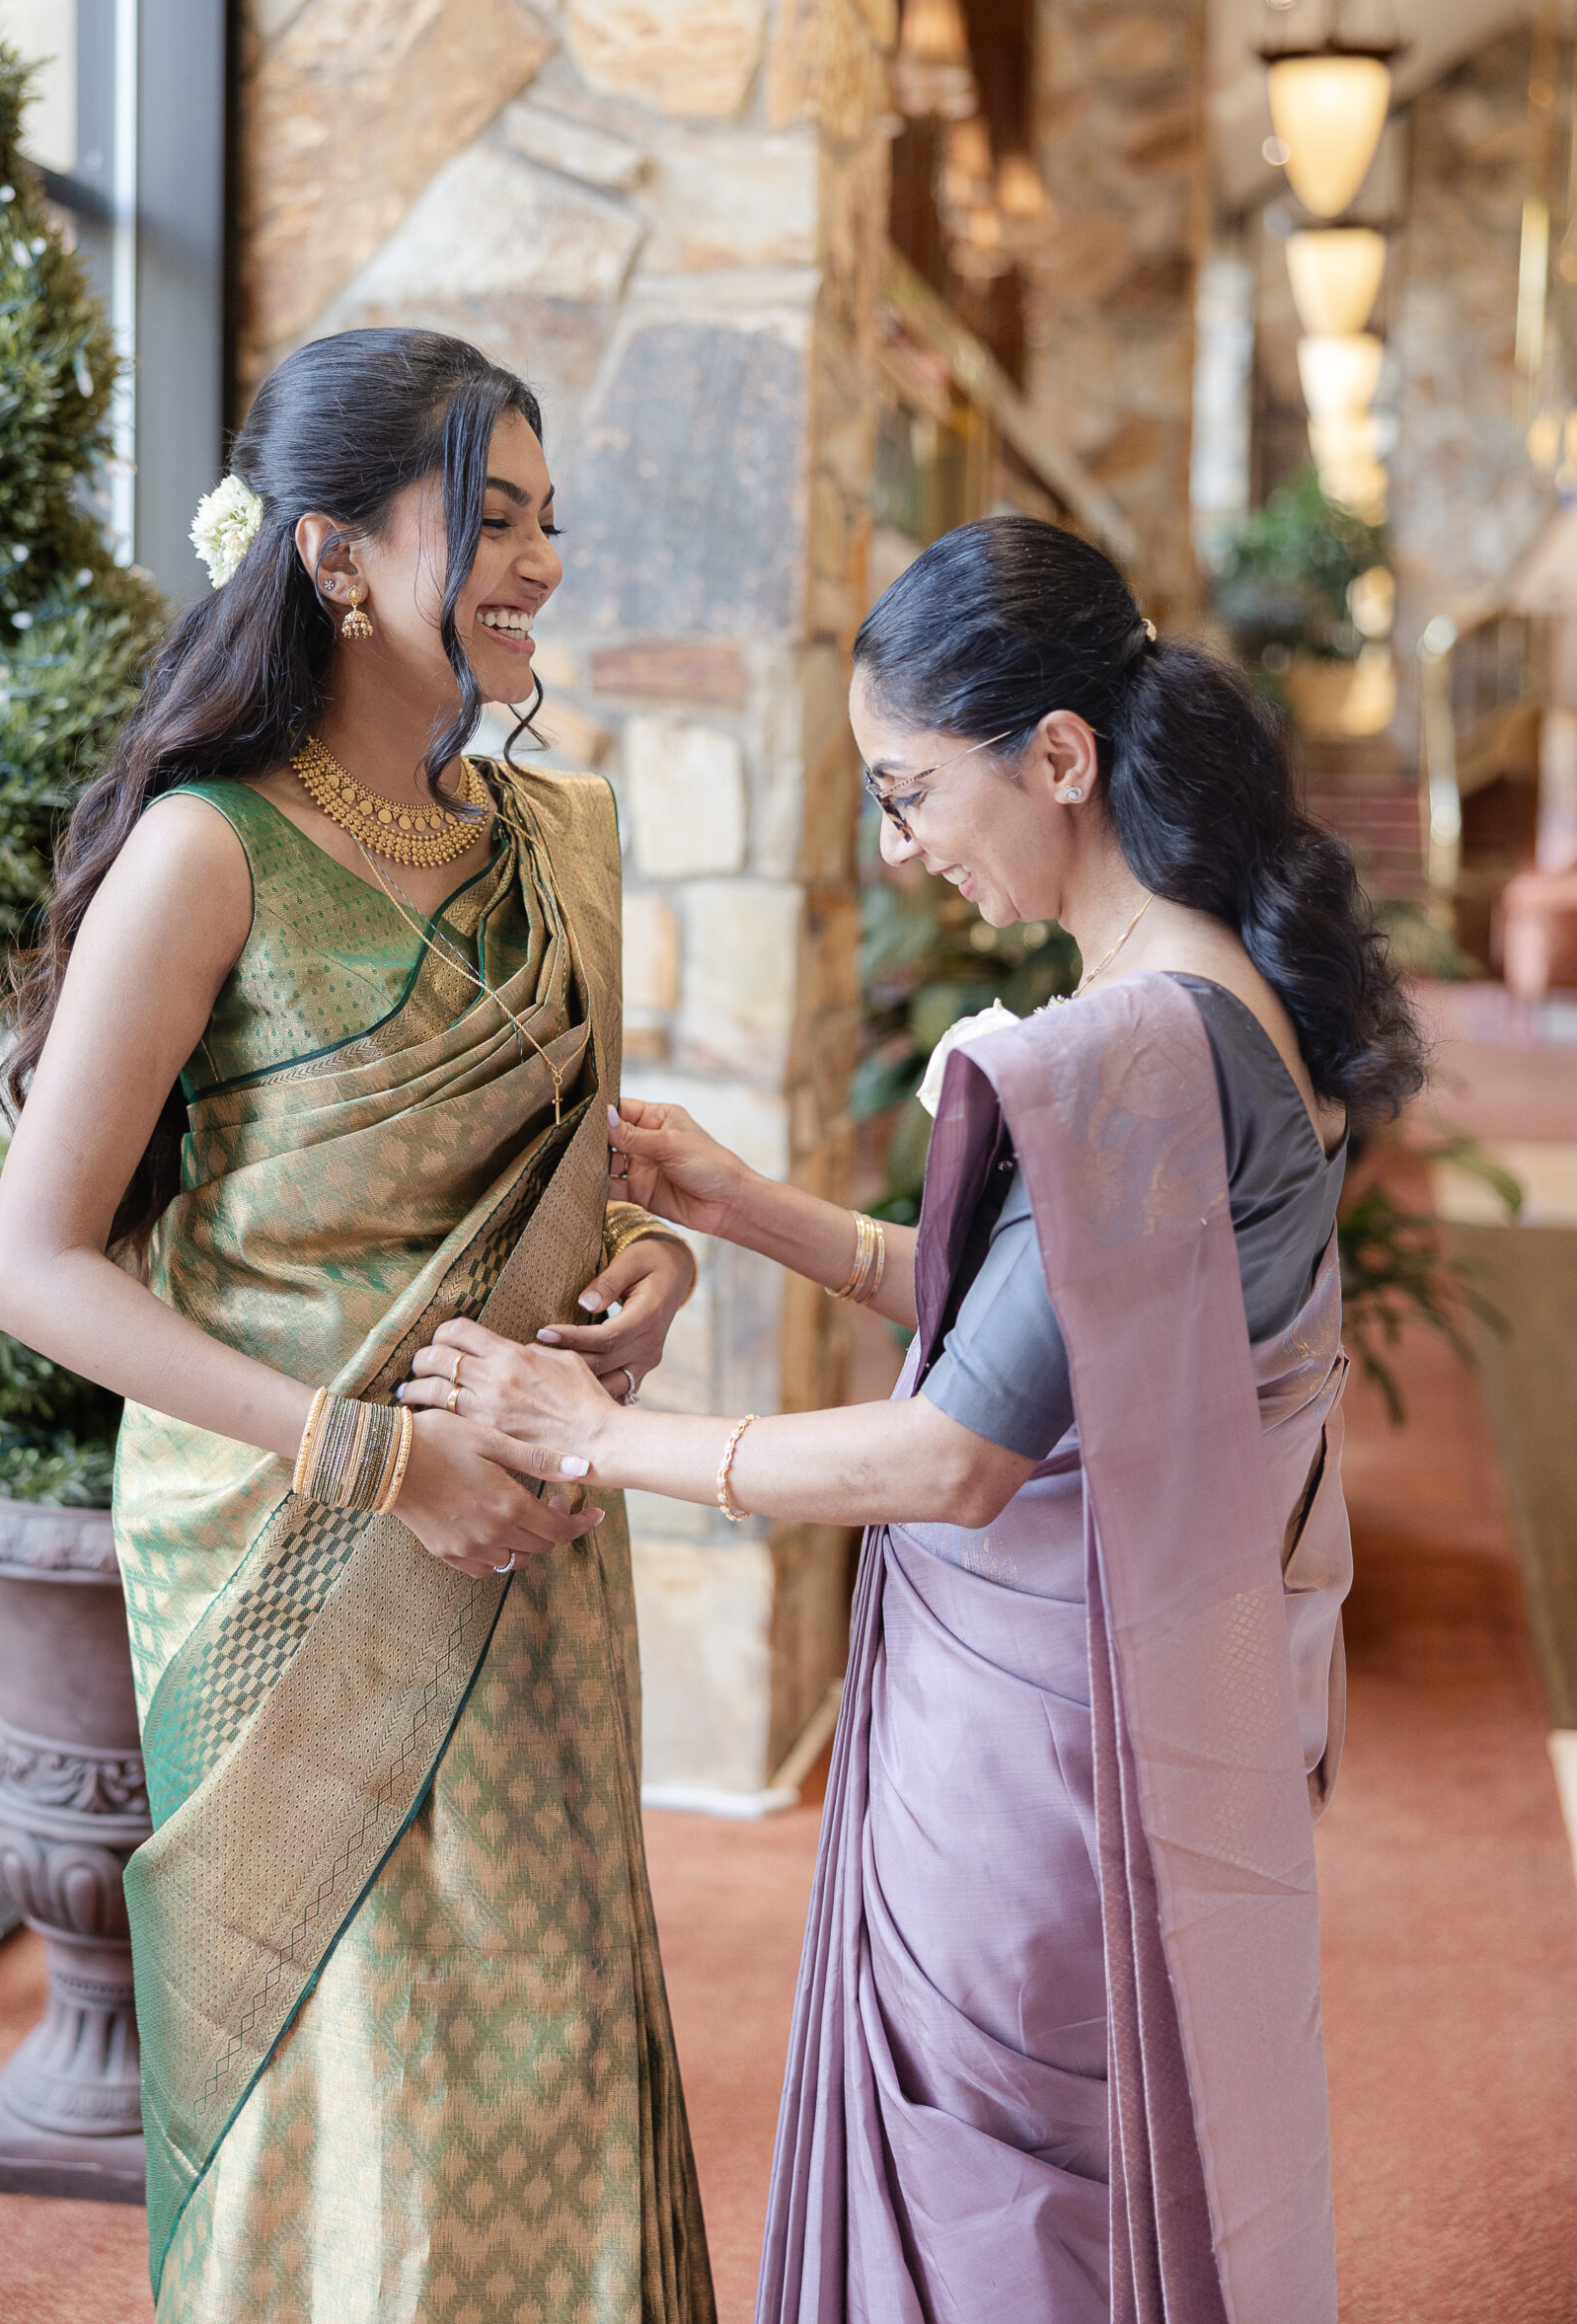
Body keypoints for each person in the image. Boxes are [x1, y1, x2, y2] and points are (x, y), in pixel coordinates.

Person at [417, 516, 1426, 2324]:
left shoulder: (1139, 1049)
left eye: (910, 794)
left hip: (1049, 1745)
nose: (902, 853)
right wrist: (751, 1207)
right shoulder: (1216, 1004)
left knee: (997, 2197)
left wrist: (593, 1434)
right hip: (1151, 1699)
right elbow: (1058, 1341)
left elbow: (956, 1457)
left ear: (1059, 755)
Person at [0, 329, 715, 2324]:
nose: (535, 564)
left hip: (532, 1533)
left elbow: (573, 1175)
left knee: (548, 2015)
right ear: (330, 554)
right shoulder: (208, 850)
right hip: (299, 1549)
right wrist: (386, 1455)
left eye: (547, 522)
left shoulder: (553, 841)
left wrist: (654, 1278)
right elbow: (34, 1268)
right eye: (485, 518)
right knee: (360, 2059)